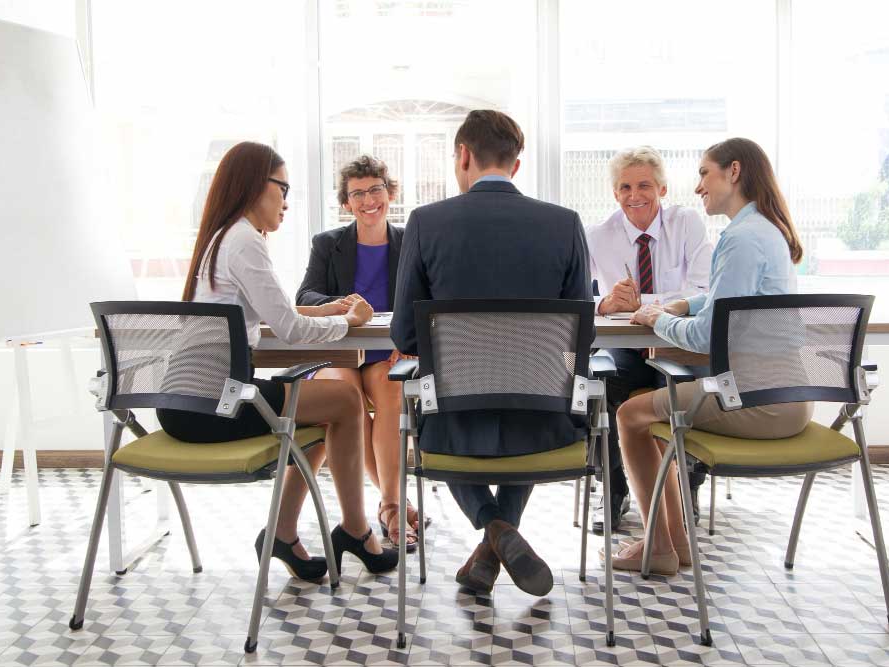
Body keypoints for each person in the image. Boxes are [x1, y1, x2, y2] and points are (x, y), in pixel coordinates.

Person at [157, 141, 398, 581]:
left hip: (184, 403)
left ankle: (285, 534)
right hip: (216, 406)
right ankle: (357, 531)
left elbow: (275, 313)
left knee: (327, 412)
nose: (286, 201)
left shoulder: (222, 237)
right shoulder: (245, 241)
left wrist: (324, 311)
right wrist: (349, 320)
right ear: (253, 185)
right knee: (344, 401)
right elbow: (288, 330)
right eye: (282, 188)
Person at [391, 110, 592, 597]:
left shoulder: (425, 222)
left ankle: (494, 532)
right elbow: (580, 338)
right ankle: (500, 536)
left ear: (463, 155)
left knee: (435, 425)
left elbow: (404, 333)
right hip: (545, 424)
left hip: (454, 426)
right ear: (516, 166)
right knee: (525, 398)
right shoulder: (565, 224)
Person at [608, 137, 812, 575]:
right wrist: (682, 305)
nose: (698, 186)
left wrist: (654, 318)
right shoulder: (762, 230)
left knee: (629, 415)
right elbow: (727, 302)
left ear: (733, 172)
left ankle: (659, 547)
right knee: (656, 422)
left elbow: (704, 338)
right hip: (786, 396)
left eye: (704, 173)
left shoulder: (740, 239)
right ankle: (670, 544)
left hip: (757, 403)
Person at [296, 155, 427, 552]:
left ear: (389, 193)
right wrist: (343, 303)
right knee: (346, 401)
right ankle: (392, 504)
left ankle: (388, 506)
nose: (368, 200)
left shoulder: (410, 241)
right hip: (339, 348)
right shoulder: (328, 244)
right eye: (358, 193)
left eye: (375, 190)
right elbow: (305, 296)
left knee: (389, 394)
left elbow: (428, 296)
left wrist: (411, 338)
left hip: (388, 349)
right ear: (346, 201)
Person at [586, 146, 711, 534]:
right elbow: (574, 295)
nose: (634, 194)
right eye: (624, 186)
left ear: (662, 189)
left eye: (644, 185)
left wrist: (650, 304)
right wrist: (605, 302)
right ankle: (616, 490)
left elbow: (703, 288)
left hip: (678, 344)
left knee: (687, 389)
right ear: (615, 193)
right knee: (600, 385)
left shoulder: (687, 222)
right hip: (627, 346)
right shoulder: (597, 235)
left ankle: (686, 488)